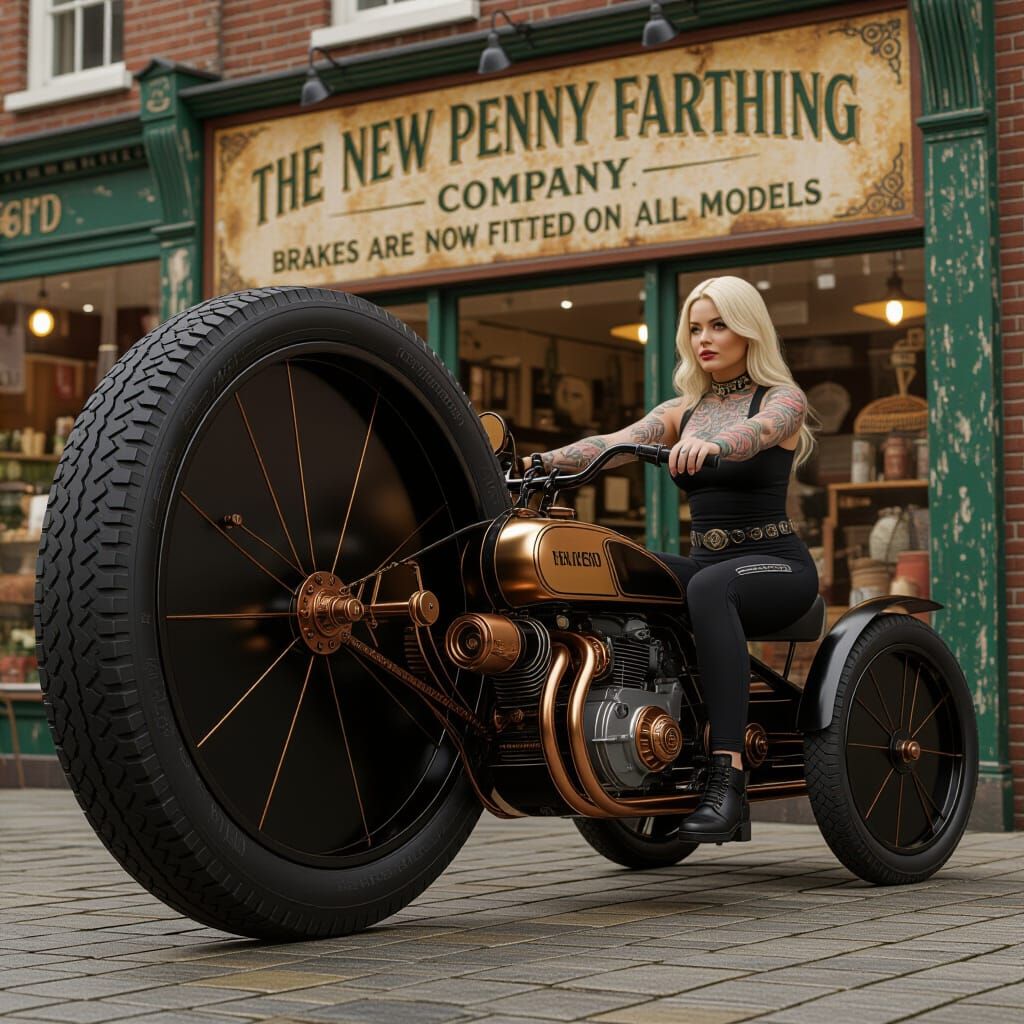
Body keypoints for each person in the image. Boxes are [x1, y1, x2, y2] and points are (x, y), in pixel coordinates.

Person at [524, 275, 819, 843]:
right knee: (618, 569)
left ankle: (726, 775)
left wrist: (715, 444)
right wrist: (535, 462)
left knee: (710, 588)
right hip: (710, 566)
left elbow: (758, 434)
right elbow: (609, 443)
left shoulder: (783, 399)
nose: (704, 338)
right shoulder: (682, 410)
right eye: (695, 327)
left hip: (777, 566)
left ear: (748, 328)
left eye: (719, 324)